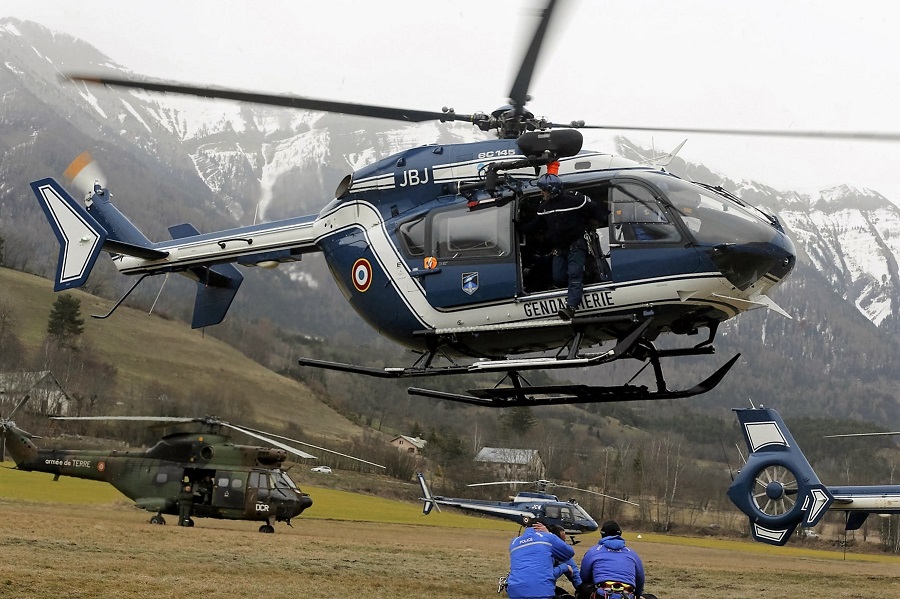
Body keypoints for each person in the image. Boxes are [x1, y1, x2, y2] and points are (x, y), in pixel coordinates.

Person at [527, 173, 608, 320]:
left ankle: (571, 307)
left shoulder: (575, 200)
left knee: (574, 275)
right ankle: (581, 284)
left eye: (543, 190)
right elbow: (535, 224)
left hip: (576, 245)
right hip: (559, 248)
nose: (541, 193)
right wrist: (517, 227)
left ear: (551, 190)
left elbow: (594, 208)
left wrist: (606, 218)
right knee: (558, 277)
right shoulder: (544, 206)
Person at [506, 520, 576, 599]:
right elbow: (569, 552)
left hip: (514, 593)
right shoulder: (546, 537)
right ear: (543, 527)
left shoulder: (514, 542)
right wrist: (565, 567)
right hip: (541, 593)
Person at [577, 520, 644, 599]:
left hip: (602, 594)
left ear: (602, 534)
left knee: (582, 589)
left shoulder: (593, 551)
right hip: (626, 594)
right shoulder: (632, 553)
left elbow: (584, 577)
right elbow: (640, 580)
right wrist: (638, 595)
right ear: (620, 534)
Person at [547, 524, 581, 597]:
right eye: (563, 540)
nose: (564, 544)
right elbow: (546, 576)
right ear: (556, 540)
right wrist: (564, 567)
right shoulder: (560, 552)